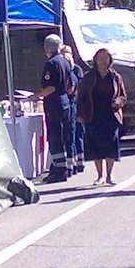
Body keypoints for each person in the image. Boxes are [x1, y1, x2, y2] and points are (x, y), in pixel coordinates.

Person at [76, 47, 127, 185]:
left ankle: (109, 175)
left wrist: (118, 102)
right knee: (96, 145)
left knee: (111, 143)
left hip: (111, 114)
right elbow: (81, 97)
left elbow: (123, 96)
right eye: (100, 58)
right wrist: (80, 114)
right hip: (93, 114)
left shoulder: (115, 77)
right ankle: (100, 176)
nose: (103, 61)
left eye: (106, 58)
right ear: (95, 60)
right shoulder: (89, 77)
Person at [36, 34, 75, 182]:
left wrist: (36, 96)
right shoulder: (65, 62)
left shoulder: (51, 64)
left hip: (54, 102)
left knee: (55, 136)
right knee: (65, 134)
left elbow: (50, 87)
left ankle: (59, 170)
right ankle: (67, 166)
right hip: (65, 100)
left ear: (47, 48)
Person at [59, 44, 85, 170]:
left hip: (76, 103)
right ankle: (76, 160)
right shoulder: (68, 69)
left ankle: (79, 161)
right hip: (73, 103)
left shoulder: (75, 70)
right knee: (72, 134)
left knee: (76, 133)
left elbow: (74, 88)